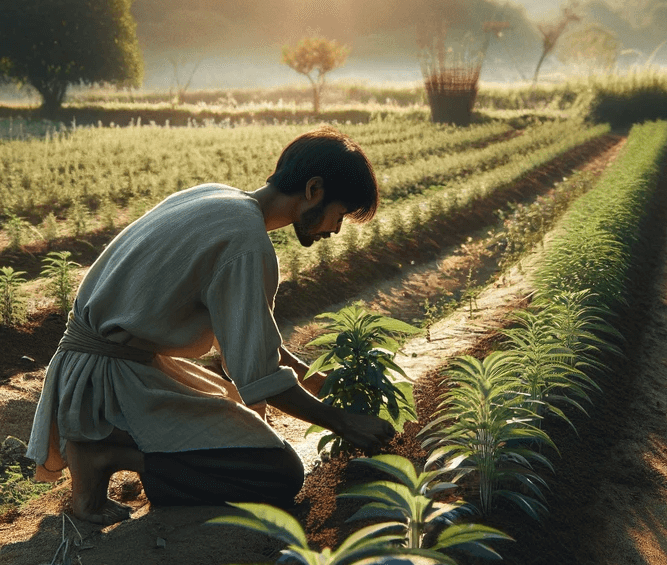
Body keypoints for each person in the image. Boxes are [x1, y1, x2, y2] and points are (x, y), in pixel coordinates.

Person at [25, 127, 397, 523]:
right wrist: (344, 423)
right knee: (278, 473)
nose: (335, 230)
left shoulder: (216, 196)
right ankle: (109, 450)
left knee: (234, 419)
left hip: (101, 365)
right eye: (339, 215)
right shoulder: (247, 242)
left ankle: (104, 451)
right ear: (314, 189)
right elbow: (257, 373)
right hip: (113, 379)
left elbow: (248, 337)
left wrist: (314, 380)